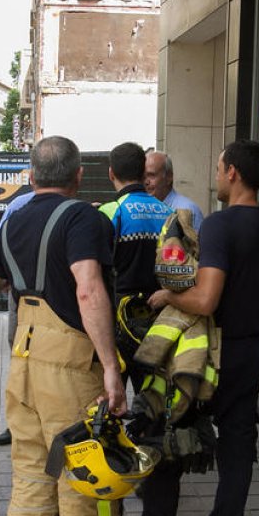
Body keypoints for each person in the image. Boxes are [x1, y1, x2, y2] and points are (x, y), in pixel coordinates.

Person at [125, 140, 259, 516]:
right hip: (248, 353)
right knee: (238, 449)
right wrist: (258, 344)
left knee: (168, 438)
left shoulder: (221, 227)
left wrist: (167, 295)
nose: (217, 175)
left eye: (220, 168)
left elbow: (204, 300)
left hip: (204, 356)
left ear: (234, 173)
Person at [0, 135, 127, 516]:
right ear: (80, 175)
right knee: (84, 477)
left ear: (31, 176)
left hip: (23, 365)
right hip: (70, 368)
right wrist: (110, 368)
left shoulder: (12, 222)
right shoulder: (83, 218)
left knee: (31, 474)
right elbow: (88, 289)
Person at [99, 142, 173, 388]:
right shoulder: (168, 212)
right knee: (152, 402)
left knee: (110, 402)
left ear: (111, 173)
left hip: (117, 322)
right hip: (157, 321)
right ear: (143, 173)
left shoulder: (110, 212)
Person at [0, 188, 35, 447]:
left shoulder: (72, 207)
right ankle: (17, 423)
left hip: (52, 299)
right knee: (19, 358)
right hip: (21, 294)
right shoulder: (19, 204)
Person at [145, 151, 203, 230]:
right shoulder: (141, 210)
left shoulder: (188, 210)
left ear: (169, 177)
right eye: (143, 176)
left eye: (151, 175)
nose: (146, 182)